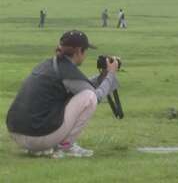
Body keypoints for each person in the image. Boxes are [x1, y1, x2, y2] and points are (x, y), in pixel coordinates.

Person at [5, 30, 119, 158]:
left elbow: (81, 85)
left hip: (16, 133)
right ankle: (66, 147)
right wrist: (111, 74)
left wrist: (102, 76)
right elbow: (94, 95)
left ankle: (40, 147)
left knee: (85, 94)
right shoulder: (67, 72)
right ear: (78, 51)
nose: (85, 55)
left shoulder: (47, 65)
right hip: (37, 137)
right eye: (85, 51)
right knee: (89, 98)